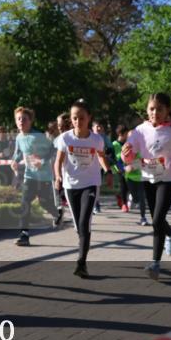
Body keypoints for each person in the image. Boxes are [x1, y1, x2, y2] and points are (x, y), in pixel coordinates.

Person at [123, 92, 171, 281]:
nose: (155, 112)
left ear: (167, 110)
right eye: (151, 109)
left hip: (168, 179)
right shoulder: (139, 131)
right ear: (147, 110)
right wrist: (126, 154)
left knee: (156, 219)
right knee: (157, 219)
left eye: (159, 109)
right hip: (148, 178)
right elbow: (130, 155)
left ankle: (155, 264)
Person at [53, 99, 110, 278]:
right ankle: (83, 250)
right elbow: (59, 161)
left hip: (91, 183)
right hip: (71, 185)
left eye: (82, 118)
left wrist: (107, 170)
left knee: (85, 223)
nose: (78, 121)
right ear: (71, 119)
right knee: (79, 226)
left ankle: (81, 263)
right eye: (75, 118)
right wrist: (58, 176)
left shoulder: (96, 139)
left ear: (89, 118)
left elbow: (101, 157)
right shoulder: (65, 138)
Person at [12, 107, 64, 246]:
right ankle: (24, 234)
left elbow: (53, 149)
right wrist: (14, 161)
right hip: (29, 175)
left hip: (44, 176)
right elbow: (17, 152)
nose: (21, 121)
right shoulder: (18, 137)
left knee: (43, 203)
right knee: (25, 202)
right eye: (18, 119)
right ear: (15, 121)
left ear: (30, 121)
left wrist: (41, 161)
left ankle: (57, 214)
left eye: (24, 119)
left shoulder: (38, 136)